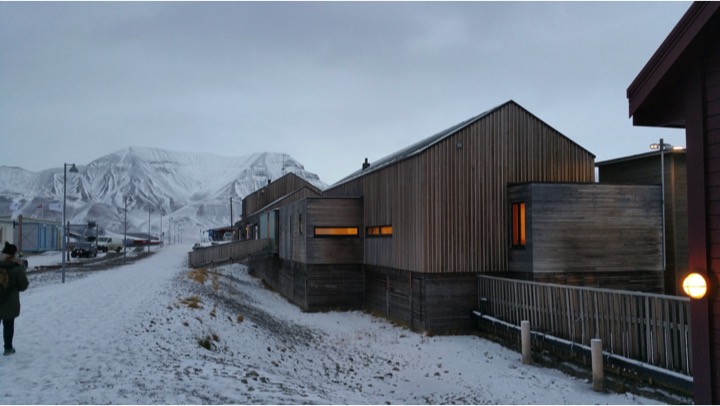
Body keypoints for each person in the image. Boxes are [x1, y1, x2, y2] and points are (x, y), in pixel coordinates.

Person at [0, 242, 29, 356]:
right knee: (8, 325)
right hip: (9, 302)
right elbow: (23, 286)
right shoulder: (17, 268)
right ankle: (8, 348)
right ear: (14, 255)